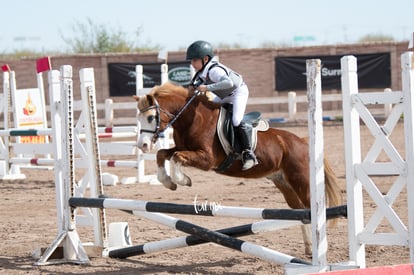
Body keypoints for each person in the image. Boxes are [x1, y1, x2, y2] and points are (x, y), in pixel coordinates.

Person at [186, 40, 258, 170]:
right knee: (209, 111)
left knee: (236, 121)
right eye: (191, 60)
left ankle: (248, 153)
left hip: (237, 93)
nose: (192, 64)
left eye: (194, 60)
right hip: (223, 95)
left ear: (205, 59)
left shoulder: (215, 71)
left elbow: (228, 83)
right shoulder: (201, 71)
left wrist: (207, 87)